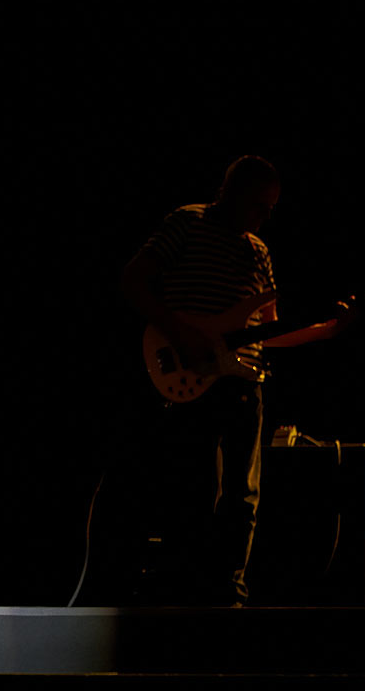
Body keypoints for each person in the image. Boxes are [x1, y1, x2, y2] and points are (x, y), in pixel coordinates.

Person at [121, 155, 282, 607]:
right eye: (258, 206)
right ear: (229, 192)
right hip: (192, 380)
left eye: (271, 208)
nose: (265, 217)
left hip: (245, 384)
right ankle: (182, 595)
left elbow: (274, 330)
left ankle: (229, 595)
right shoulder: (187, 223)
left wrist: (333, 327)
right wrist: (180, 332)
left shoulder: (259, 251)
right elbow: (133, 280)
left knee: (241, 497)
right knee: (191, 491)